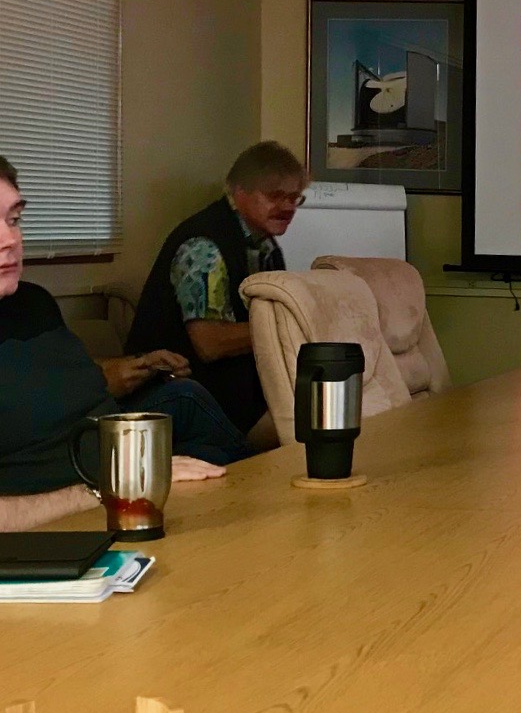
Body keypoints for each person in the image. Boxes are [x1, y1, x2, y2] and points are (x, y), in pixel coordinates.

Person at [0, 157, 243, 531]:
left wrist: (139, 365)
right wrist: (111, 488)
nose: (11, 239)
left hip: (117, 463)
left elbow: (54, 378)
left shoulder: (32, 302)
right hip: (72, 509)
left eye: (13, 219)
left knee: (199, 424)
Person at [126, 141, 306, 435]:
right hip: (180, 398)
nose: (287, 207)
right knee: (309, 420)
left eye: (294, 198)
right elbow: (210, 344)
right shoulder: (204, 246)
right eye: (275, 196)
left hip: (230, 392)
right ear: (240, 193)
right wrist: (291, 326)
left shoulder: (266, 246)